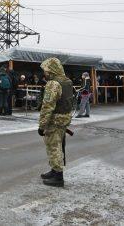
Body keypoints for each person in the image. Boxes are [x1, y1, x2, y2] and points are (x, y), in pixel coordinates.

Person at [38, 58, 73, 187]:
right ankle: (54, 170)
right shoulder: (67, 81)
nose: (45, 73)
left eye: (46, 70)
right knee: (58, 145)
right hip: (64, 119)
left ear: (51, 69)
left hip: (54, 120)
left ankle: (58, 176)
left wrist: (42, 125)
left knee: (54, 147)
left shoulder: (53, 83)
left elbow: (47, 106)